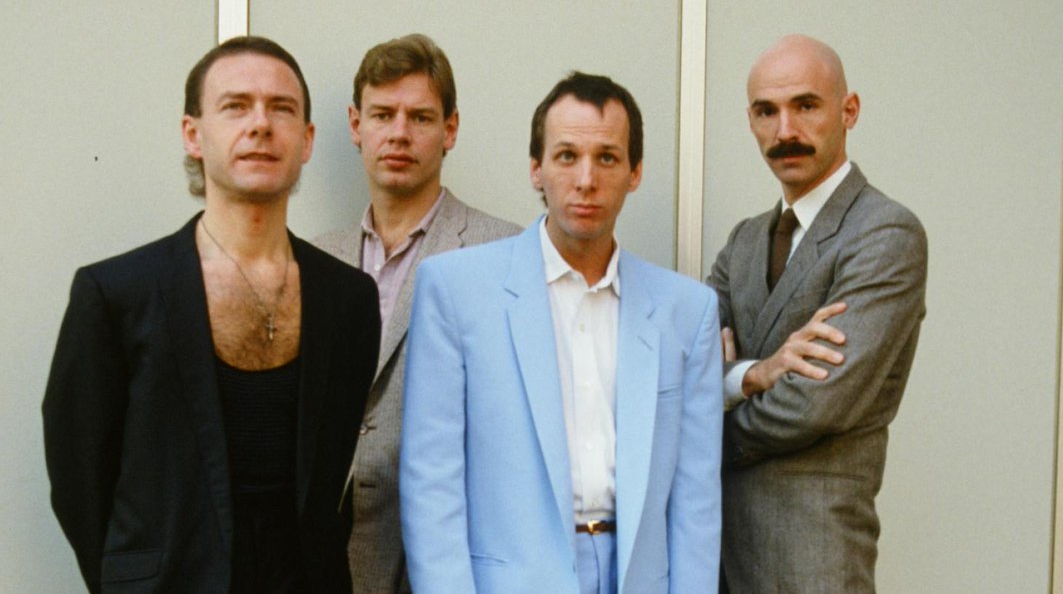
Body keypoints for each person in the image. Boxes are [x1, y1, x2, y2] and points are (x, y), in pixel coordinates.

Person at [42, 36, 380, 593]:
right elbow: (80, 479)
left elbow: (327, 481)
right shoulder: (116, 294)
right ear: (192, 134)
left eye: (281, 108)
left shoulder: (349, 300)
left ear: (307, 140)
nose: (260, 124)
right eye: (235, 106)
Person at [399, 72, 722, 593]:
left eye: (607, 158)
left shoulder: (687, 311)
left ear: (635, 172)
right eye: (567, 156)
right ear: (537, 168)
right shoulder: (456, 290)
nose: (586, 179)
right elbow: (431, 484)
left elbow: (696, 501)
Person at [708, 34, 927, 593]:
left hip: (814, 562)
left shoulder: (885, 233)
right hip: (717, 562)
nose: (785, 130)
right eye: (766, 111)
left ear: (849, 111)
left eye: (805, 105)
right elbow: (684, 362)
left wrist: (704, 430)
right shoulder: (743, 242)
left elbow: (813, 404)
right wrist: (752, 375)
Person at [313, 33, 519, 592]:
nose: (399, 133)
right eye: (383, 114)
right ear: (355, 125)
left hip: (446, 563)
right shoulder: (314, 259)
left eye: (420, 117)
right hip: (327, 562)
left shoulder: (506, 253)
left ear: (450, 129)